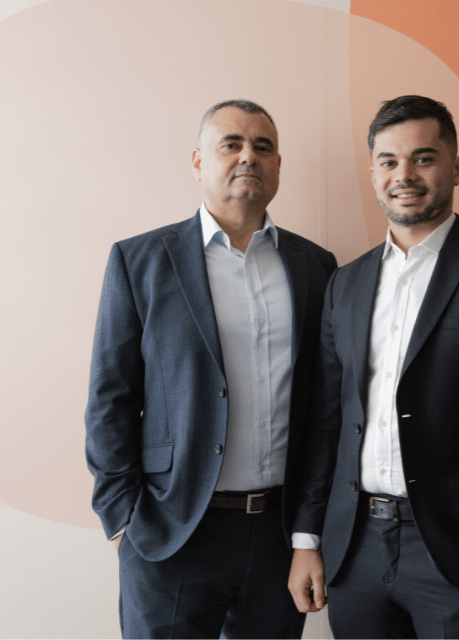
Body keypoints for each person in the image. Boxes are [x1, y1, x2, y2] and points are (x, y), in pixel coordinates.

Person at [286, 95, 459, 639]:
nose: (405, 175)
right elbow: (326, 423)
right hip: (354, 550)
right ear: (374, 175)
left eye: (423, 158)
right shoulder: (345, 283)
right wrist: (307, 538)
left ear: (456, 167)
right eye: (389, 162)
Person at [85, 99, 337, 638]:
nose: (249, 156)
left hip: (278, 536)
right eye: (231, 144)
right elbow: (111, 399)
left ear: (278, 166)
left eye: (263, 147)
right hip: (171, 530)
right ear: (198, 161)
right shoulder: (140, 261)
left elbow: (323, 409)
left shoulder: (316, 267)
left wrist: (308, 533)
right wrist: (122, 519)